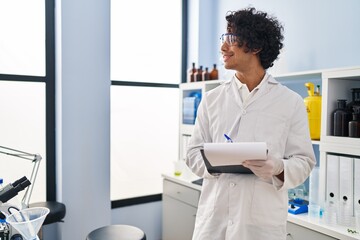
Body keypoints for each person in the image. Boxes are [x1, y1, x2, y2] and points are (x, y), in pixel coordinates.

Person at [186, 7, 316, 240]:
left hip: (260, 227)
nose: (223, 47)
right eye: (223, 39)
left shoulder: (290, 102)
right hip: (214, 223)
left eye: (231, 39)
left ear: (255, 46)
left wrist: (278, 167)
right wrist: (215, 162)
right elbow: (193, 152)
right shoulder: (212, 99)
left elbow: (304, 162)